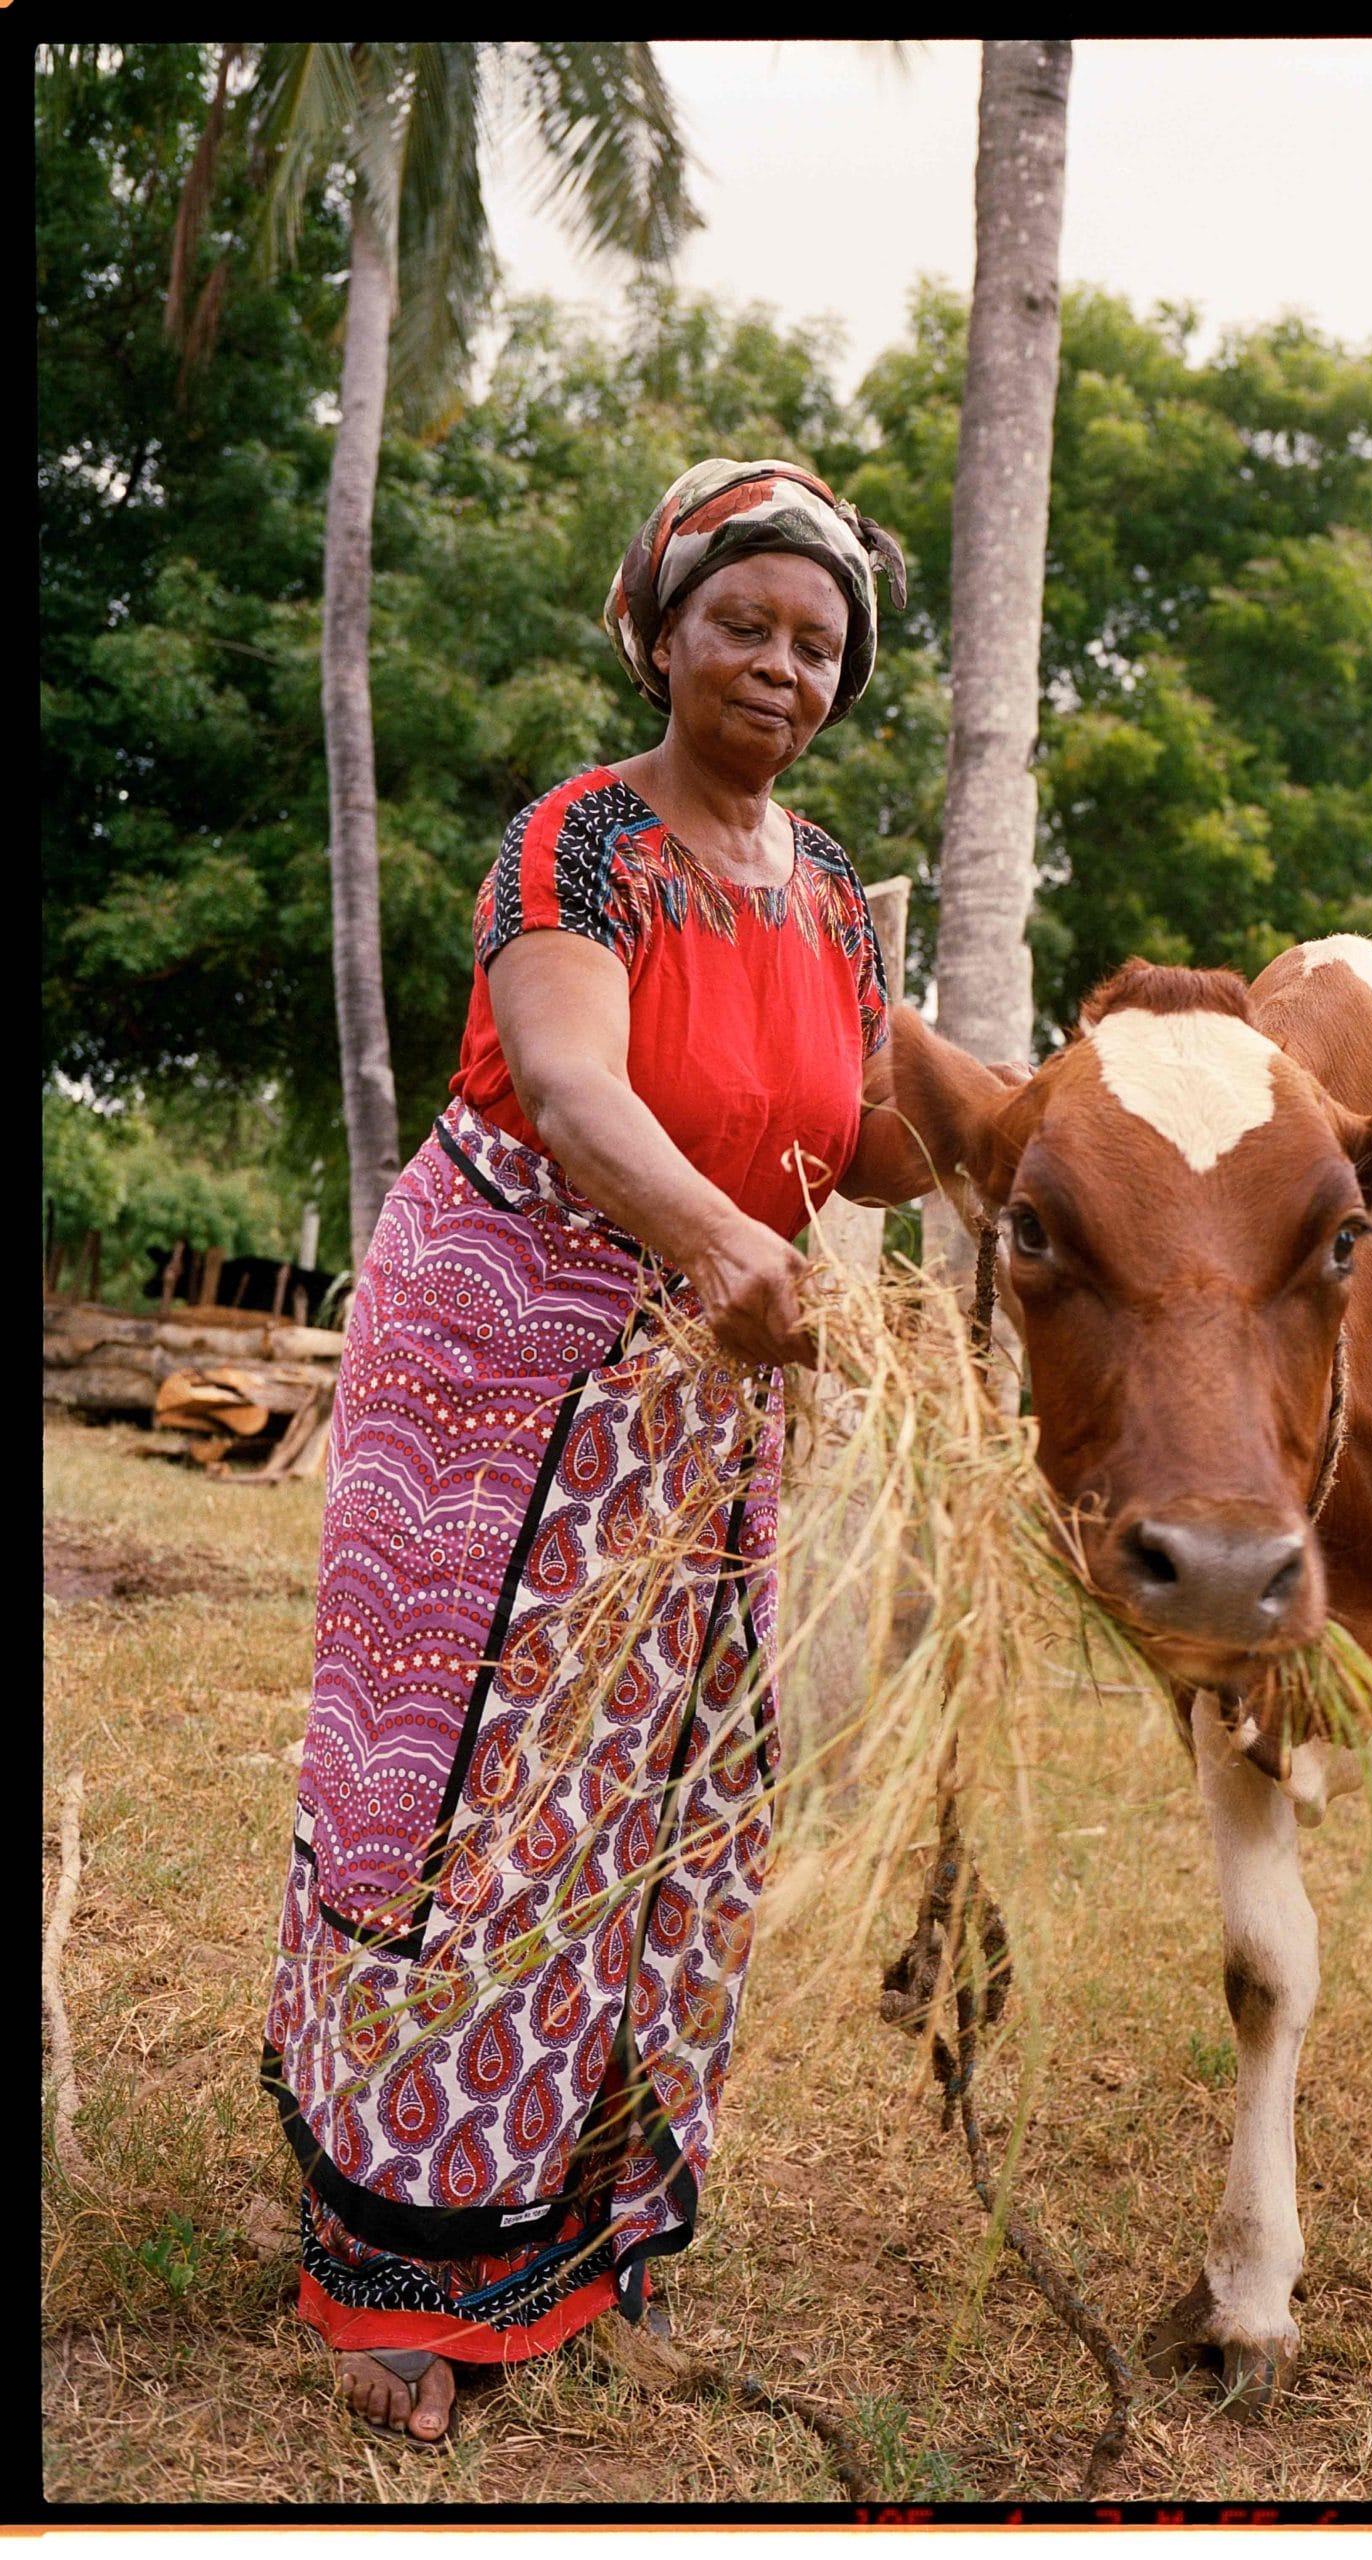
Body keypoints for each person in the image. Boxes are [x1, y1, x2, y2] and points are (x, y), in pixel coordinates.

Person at [262, 458, 933, 2444]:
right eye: (746, 622)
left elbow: (871, 1128)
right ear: (664, 626)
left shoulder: (825, 894)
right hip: (507, 1357)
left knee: (664, 1783)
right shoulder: (581, 841)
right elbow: (568, 1084)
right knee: (479, 1778)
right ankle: (397, 2264)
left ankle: (582, 2223)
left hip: (708, 1385)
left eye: (817, 642)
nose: (780, 666)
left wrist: (1029, 1121)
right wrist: (727, 1239)